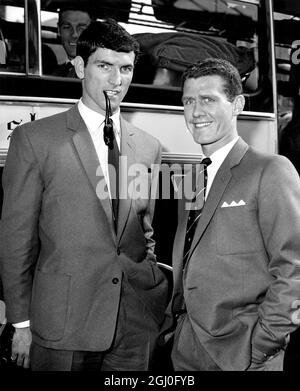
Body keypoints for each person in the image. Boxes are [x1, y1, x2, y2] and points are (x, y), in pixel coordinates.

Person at [0, 19, 168, 371]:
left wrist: (151, 302)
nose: (116, 80)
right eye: (104, 66)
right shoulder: (35, 139)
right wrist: (21, 322)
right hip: (62, 323)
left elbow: (143, 231)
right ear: (80, 67)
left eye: (125, 68)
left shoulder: (149, 147)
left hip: (134, 325)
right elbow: (17, 238)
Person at [161, 58, 300, 371]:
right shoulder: (194, 179)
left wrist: (262, 345)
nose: (196, 112)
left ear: (237, 104)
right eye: (188, 101)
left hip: (243, 354)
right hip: (186, 348)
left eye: (209, 99)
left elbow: (294, 268)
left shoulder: (271, 170)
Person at [51, 7, 93, 77]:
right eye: (67, 27)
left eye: (82, 28)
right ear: (59, 30)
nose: (74, 34)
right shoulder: (54, 74)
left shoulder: (102, 74)